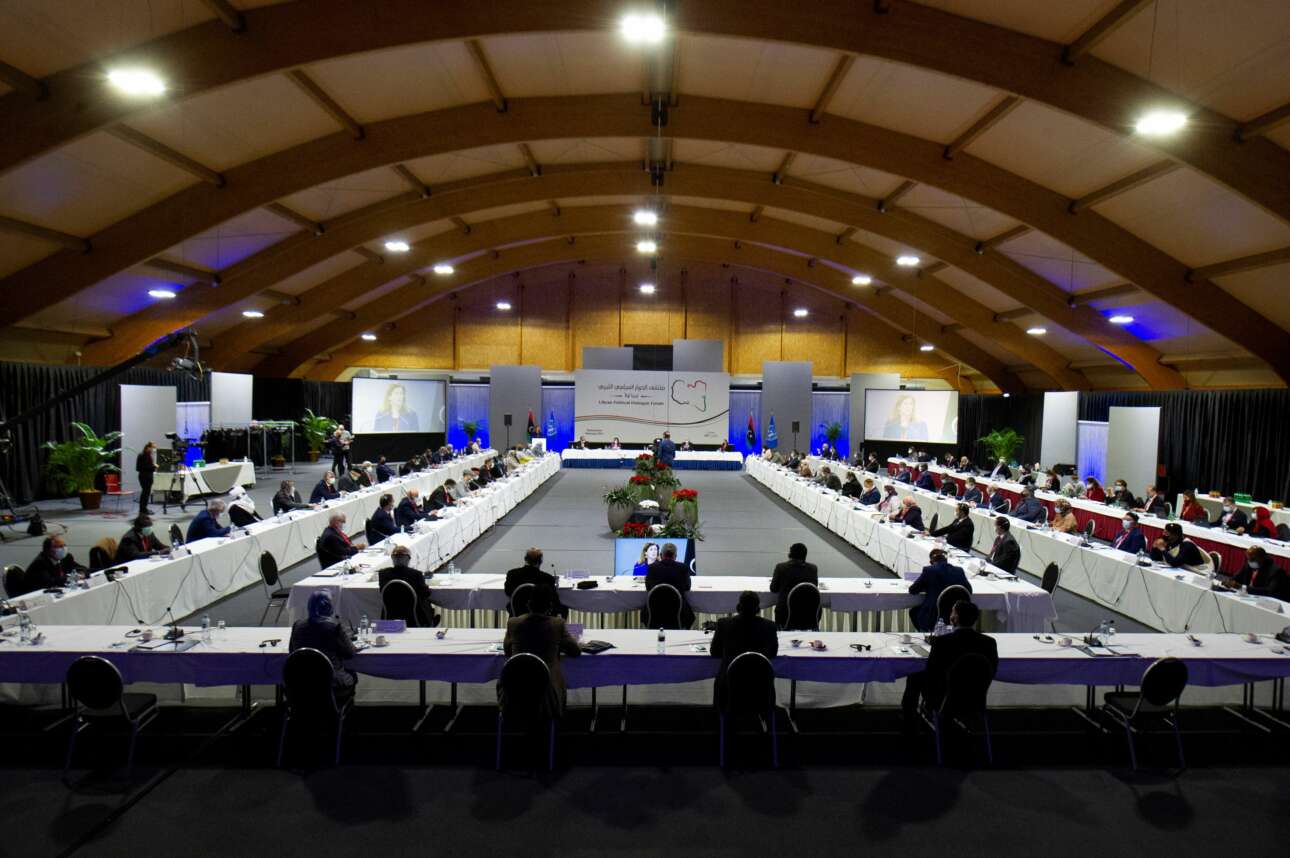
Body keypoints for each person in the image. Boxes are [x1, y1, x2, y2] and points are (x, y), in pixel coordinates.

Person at [901, 600, 997, 722]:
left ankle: (909, 719)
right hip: (975, 698)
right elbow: (992, 670)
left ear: (954, 618)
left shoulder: (942, 642)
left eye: (952, 612)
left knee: (914, 675)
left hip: (943, 698)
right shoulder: (989, 642)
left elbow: (931, 672)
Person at [501, 585, 581, 717]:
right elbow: (575, 651)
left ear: (528, 604)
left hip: (514, 690)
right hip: (548, 694)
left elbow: (507, 653)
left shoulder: (513, 623)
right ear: (550, 606)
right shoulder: (557, 624)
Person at [709, 590, 779, 708]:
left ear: (738, 607)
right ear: (758, 609)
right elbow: (773, 653)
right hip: (761, 689)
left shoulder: (724, 624)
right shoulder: (770, 627)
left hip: (729, 689)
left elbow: (715, 652)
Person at [289, 591, 357, 702]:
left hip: (302, 683)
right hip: (331, 682)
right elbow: (350, 653)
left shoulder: (297, 625)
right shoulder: (333, 627)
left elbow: (292, 652)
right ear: (329, 608)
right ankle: (341, 705)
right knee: (352, 675)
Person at [907, 548, 971, 632]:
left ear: (931, 562)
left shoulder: (929, 570)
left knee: (913, 612)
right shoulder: (959, 570)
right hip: (957, 614)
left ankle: (925, 633)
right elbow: (969, 591)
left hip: (935, 615)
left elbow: (913, 590)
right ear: (946, 560)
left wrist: (926, 586)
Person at [378, 544, 439, 626]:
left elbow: (382, 591)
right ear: (408, 559)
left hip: (391, 614)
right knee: (424, 602)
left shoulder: (383, 574)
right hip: (413, 616)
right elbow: (425, 593)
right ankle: (429, 622)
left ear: (392, 559)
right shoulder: (416, 574)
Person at [641, 542, 694, 629]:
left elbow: (648, 588)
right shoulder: (683, 568)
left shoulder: (652, 568)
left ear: (661, 555)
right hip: (678, 612)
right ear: (675, 556)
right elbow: (687, 587)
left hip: (654, 611)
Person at [505, 548, 568, 618]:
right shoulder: (547, 578)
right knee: (564, 609)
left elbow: (508, 592)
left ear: (525, 559)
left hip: (518, 613)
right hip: (541, 616)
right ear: (540, 562)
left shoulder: (512, 574)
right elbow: (555, 600)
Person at [769, 542, 819, 627]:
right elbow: (814, 587)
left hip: (785, 612)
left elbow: (773, 589)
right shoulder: (813, 569)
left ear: (790, 554)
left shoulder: (781, 567)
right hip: (808, 612)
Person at [136, 440, 157, 516]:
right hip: (145, 477)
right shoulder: (144, 455)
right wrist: (153, 467)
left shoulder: (146, 455)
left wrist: (152, 466)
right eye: (152, 448)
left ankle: (144, 508)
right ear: (148, 447)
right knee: (145, 494)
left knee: (146, 494)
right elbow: (141, 467)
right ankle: (143, 509)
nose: (153, 450)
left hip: (146, 476)